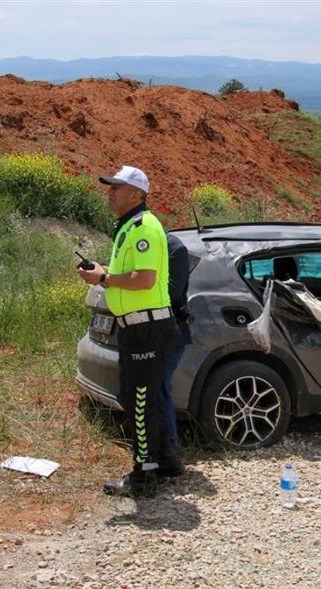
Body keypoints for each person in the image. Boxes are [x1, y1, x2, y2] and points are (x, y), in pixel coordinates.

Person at [77, 165, 176, 498]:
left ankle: (144, 476)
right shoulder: (128, 228)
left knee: (140, 402)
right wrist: (102, 271)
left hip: (147, 328)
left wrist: (104, 279)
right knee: (138, 399)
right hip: (137, 328)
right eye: (110, 187)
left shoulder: (144, 226)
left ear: (136, 195)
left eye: (116, 188)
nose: (110, 192)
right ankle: (160, 464)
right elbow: (129, 275)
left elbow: (144, 280)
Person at [158, 232, 192, 477]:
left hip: (169, 330)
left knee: (159, 391)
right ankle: (162, 456)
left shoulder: (174, 248)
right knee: (156, 391)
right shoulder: (163, 246)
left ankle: (168, 458)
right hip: (151, 331)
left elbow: (172, 293)